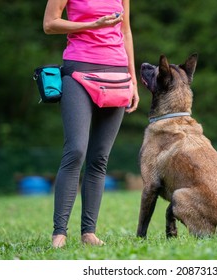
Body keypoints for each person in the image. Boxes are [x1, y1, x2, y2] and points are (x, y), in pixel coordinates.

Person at [43, 0, 139, 248]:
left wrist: (133, 79)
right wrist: (91, 25)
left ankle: (89, 232)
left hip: (117, 73)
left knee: (99, 158)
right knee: (75, 150)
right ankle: (59, 233)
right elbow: (49, 24)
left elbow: (125, 31)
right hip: (78, 70)